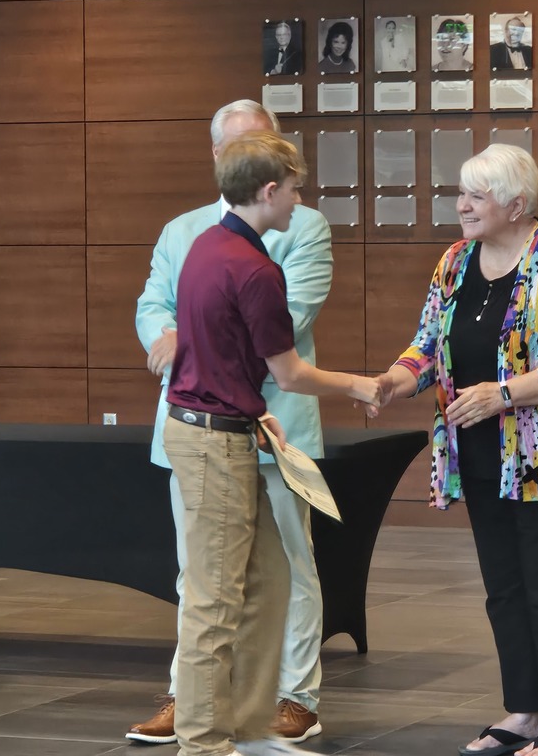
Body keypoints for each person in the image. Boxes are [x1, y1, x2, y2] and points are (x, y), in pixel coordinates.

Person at [374, 144, 538, 756]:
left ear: (517, 205)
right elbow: (428, 345)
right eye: (460, 194)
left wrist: (506, 394)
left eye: (476, 196)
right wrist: (394, 380)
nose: (461, 205)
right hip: (481, 450)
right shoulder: (454, 262)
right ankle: (524, 710)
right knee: (506, 585)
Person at [162, 129, 380, 756]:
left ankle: (250, 723)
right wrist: (360, 386)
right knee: (214, 600)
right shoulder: (256, 268)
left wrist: (254, 412)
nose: (299, 201)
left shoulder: (207, 244)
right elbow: (290, 373)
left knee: (268, 580)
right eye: (294, 190)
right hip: (213, 447)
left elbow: (216, 354)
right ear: (267, 191)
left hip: (221, 427)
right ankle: (204, 743)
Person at [131, 100, 331, 747]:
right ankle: (198, 705)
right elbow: (152, 306)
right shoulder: (183, 231)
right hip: (202, 424)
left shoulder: (302, 225)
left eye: (264, 143)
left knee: (284, 569)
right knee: (204, 576)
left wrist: (185, 340)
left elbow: (286, 320)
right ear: (219, 160)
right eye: (239, 147)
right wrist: (169, 336)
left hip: (275, 422)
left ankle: (291, 697)